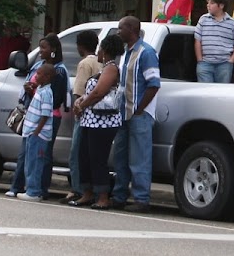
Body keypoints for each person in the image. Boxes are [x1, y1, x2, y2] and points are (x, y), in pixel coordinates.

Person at [110, 16, 161, 213]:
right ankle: (120, 195)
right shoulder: (126, 53)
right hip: (123, 113)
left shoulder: (146, 52)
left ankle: (141, 199)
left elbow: (154, 84)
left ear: (131, 29)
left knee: (139, 158)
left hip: (139, 114)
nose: (118, 32)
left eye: (120, 28)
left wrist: (140, 109)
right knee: (120, 157)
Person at [71, 32, 122, 209]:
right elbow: (91, 92)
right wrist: (80, 101)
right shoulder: (103, 68)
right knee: (84, 156)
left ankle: (103, 196)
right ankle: (87, 192)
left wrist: (82, 104)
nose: (97, 51)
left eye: (100, 48)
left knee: (97, 158)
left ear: (106, 50)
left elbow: (99, 92)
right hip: (90, 121)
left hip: (103, 123)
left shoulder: (111, 68)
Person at [64, 30, 101, 206]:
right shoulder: (101, 62)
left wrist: (76, 109)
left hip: (84, 113)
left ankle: (77, 189)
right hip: (98, 115)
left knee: (76, 153)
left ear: (80, 46)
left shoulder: (84, 64)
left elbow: (78, 91)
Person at [17, 64, 55, 202]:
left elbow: (45, 115)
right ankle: (30, 189)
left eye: (39, 74)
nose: (36, 76)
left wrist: (36, 132)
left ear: (47, 77)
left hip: (37, 135)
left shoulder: (46, 93)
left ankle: (33, 191)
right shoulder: (40, 89)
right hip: (30, 132)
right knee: (29, 162)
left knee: (35, 163)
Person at [194, 0, 234, 84]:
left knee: (221, 93)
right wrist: (200, 59)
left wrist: (231, 60)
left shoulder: (231, 23)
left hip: (224, 64)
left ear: (221, 6)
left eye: (211, 3)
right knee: (205, 92)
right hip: (205, 63)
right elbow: (197, 40)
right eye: (208, 3)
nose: (208, 5)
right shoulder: (203, 19)